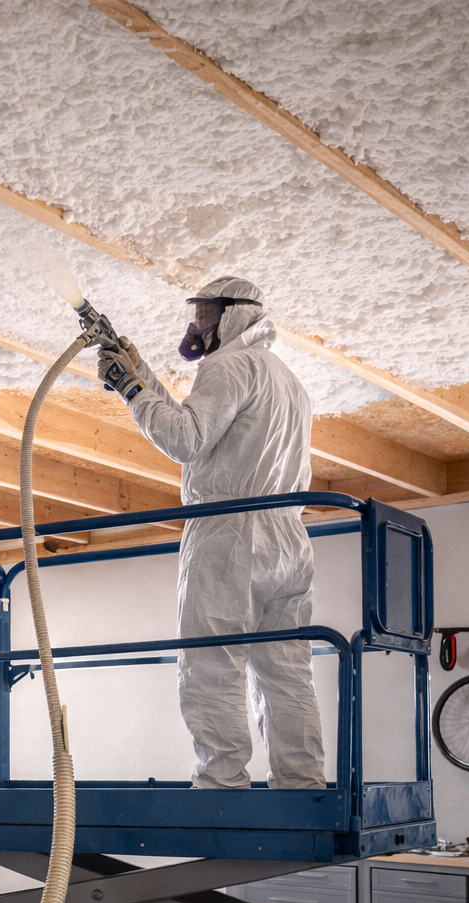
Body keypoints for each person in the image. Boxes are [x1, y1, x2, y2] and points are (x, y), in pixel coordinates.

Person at [96, 276, 325, 790]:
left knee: (211, 664)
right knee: (285, 670)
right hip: (288, 535)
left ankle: (221, 786)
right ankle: (303, 785)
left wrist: (132, 391)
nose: (196, 324)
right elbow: (210, 426)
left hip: (228, 533)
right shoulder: (287, 379)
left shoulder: (227, 366)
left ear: (233, 316)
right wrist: (142, 375)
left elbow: (186, 438)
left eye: (204, 313)